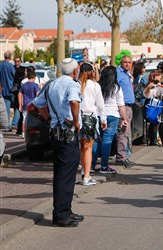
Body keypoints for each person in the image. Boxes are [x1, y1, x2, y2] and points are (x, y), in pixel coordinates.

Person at [31, 58, 84, 227]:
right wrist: (76, 122)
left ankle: (64, 210)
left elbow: (38, 104)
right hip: (68, 133)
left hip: (56, 132)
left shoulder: (51, 84)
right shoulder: (73, 84)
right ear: (75, 71)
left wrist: (49, 118)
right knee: (66, 174)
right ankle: (62, 214)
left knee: (62, 172)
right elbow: (74, 102)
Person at [92, 66, 127, 175]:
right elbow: (121, 105)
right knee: (107, 141)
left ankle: (91, 165)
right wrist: (124, 118)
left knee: (97, 140)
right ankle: (104, 165)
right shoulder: (116, 88)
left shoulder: (97, 86)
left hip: (98, 115)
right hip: (113, 115)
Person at [78, 62, 106, 186]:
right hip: (91, 118)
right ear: (91, 72)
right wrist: (103, 120)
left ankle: (84, 172)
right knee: (88, 148)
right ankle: (87, 176)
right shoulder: (95, 86)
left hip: (78, 118)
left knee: (82, 148)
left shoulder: (76, 85)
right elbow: (100, 104)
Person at [115, 55, 136, 168]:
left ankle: (125, 155)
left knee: (126, 133)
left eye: (129, 62)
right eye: (125, 62)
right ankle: (121, 157)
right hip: (122, 106)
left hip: (129, 106)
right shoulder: (118, 73)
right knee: (123, 132)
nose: (127, 64)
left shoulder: (126, 73)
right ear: (121, 62)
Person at [18, 69, 40, 136]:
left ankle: (23, 133)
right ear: (34, 78)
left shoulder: (24, 85)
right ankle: (32, 133)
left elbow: (19, 94)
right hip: (33, 105)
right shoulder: (35, 85)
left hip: (25, 104)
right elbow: (37, 95)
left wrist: (20, 104)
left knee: (24, 120)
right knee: (34, 119)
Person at [0, 51, 16, 131]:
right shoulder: (10, 66)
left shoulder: (0, 65)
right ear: (10, 57)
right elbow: (14, 75)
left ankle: (7, 126)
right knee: (17, 107)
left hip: (3, 89)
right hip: (12, 89)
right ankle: (14, 124)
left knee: (6, 109)